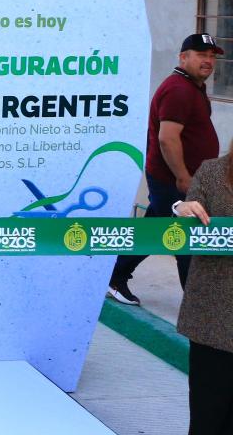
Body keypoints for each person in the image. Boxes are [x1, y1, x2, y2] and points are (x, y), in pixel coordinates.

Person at [109, 33, 221, 305]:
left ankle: (114, 277)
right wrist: (184, 177)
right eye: (201, 55)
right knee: (187, 239)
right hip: (175, 180)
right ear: (183, 57)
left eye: (211, 56)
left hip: (179, 179)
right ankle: (199, 306)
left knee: (155, 232)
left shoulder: (191, 86)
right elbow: (167, 138)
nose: (208, 61)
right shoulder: (178, 90)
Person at [173, 148, 233, 435]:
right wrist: (182, 209)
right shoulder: (211, 171)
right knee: (208, 420)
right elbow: (187, 213)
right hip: (213, 320)